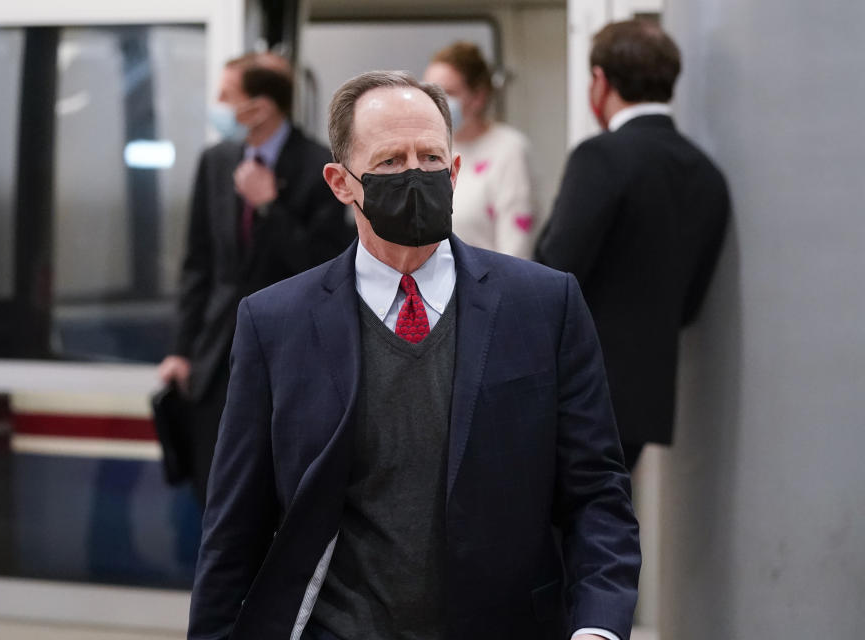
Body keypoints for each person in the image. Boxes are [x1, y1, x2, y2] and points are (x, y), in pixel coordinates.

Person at [188, 70, 640, 640]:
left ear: (454, 171)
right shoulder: (275, 323)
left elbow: (597, 493)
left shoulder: (545, 305)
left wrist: (598, 628)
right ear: (341, 182)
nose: (415, 175)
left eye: (430, 158)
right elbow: (235, 525)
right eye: (390, 161)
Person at [157, 52, 352, 508]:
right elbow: (198, 265)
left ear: (261, 107)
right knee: (214, 495)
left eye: (227, 96)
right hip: (215, 362)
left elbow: (326, 264)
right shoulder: (216, 161)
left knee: (277, 501)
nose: (218, 105)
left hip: (289, 360)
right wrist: (183, 350)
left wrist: (270, 207)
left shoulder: (320, 166)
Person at [534, 20, 730, 470]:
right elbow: (689, 305)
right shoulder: (707, 175)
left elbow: (552, 274)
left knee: (552, 534)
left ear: (600, 81)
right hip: (642, 404)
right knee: (604, 527)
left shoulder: (601, 156)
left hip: (575, 395)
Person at [422, 42, 541, 259]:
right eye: (429, 91)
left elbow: (516, 248)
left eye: (448, 92)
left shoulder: (509, 149)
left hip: (488, 284)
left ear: (478, 96)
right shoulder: (427, 150)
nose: (436, 101)